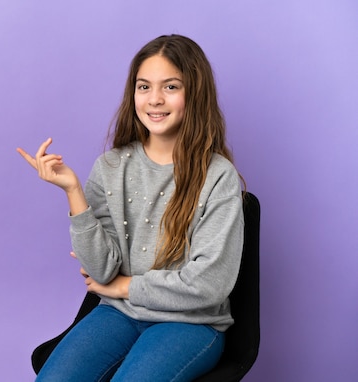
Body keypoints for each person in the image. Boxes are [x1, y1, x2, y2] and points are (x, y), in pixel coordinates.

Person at [17, 34, 244, 382]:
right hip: (118, 315)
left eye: (170, 87)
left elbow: (209, 285)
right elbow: (102, 272)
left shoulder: (218, 177)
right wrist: (73, 191)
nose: (154, 99)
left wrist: (125, 287)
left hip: (191, 323)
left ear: (194, 94)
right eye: (143, 87)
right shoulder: (110, 167)